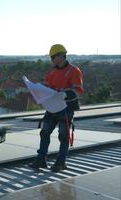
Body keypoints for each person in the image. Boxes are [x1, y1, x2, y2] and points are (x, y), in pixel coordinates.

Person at [28, 44, 84, 172]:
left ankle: (61, 163)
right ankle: (41, 160)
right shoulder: (51, 71)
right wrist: (38, 89)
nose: (52, 59)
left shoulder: (74, 71)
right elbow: (47, 87)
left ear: (61, 55)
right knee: (44, 132)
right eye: (51, 57)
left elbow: (78, 90)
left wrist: (65, 94)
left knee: (63, 136)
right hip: (52, 107)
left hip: (66, 108)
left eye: (53, 57)